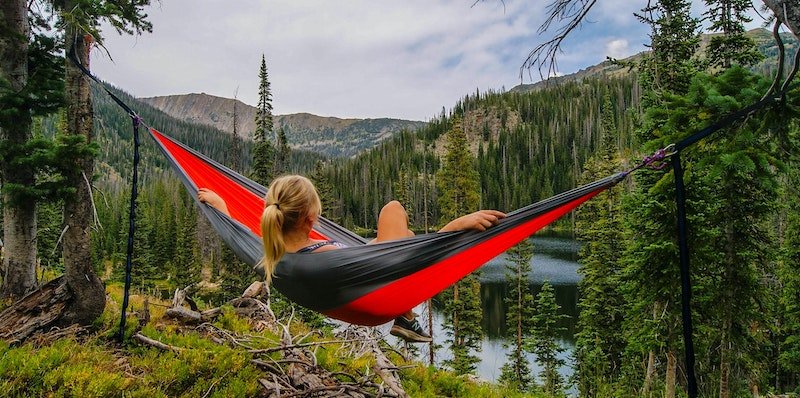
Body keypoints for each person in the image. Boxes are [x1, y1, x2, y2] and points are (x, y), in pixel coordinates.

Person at [198, 174, 505, 343]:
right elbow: (403, 265)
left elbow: (238, 235)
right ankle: (406, 316)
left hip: (355, 283)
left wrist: (222, 208)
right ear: (310, 218)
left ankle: (407, 317)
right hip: (378, 298)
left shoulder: (271, 252)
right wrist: (453, 229)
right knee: (393, 209)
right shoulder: (323, 259)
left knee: (406, 234)